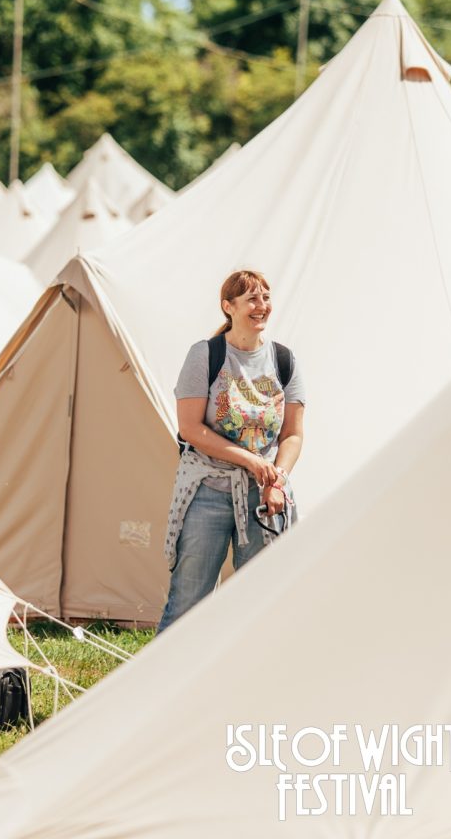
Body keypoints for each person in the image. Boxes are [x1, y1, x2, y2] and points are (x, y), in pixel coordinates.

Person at [157, 269, 305, 633]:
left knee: (261, 600)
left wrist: (278, 479)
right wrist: (252, 461)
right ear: (229, 307)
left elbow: (293, 435)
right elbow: (190, 428)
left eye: (266, 298)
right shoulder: (206, 355)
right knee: (189, 601)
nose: (262, 306)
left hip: (262, 493)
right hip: (207, 489)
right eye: (252, 299)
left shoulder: (284, 360)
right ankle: (166, 683)